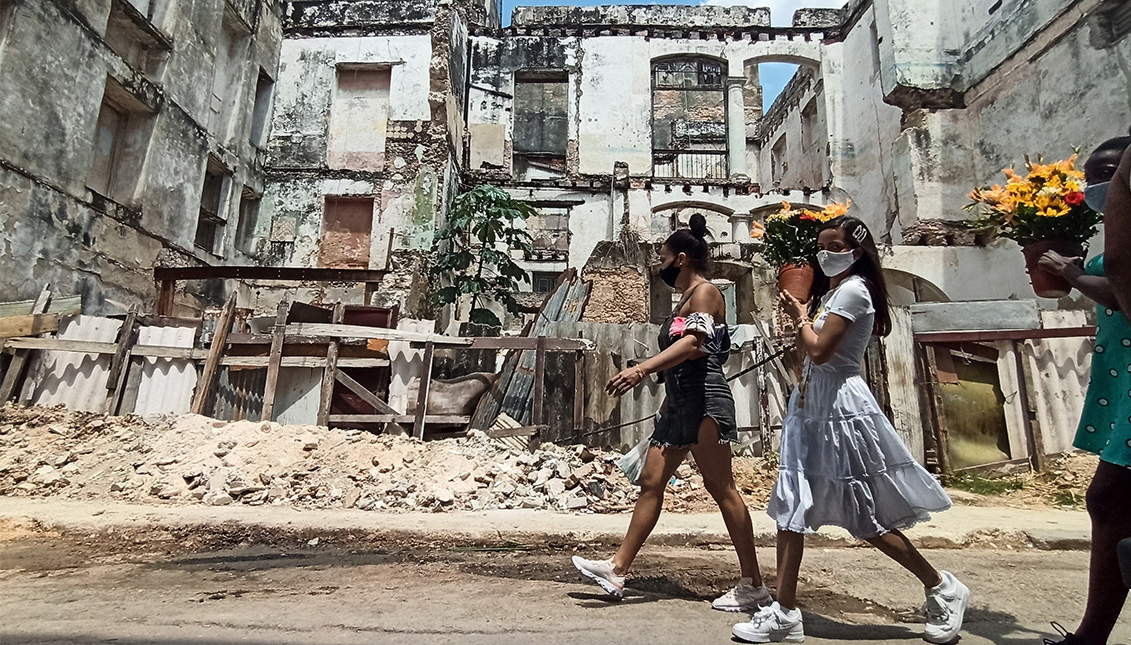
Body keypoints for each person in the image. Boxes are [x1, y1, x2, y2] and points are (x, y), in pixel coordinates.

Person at [733, 216, 969, 645]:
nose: (824, 253)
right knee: (792, 509)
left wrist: (801, 317)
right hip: (812, 407)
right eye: (820, 245)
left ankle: (942, 587)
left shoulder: (855, 291)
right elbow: (811, 353)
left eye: (833, 245)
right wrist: (805, 322)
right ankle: (784, 611)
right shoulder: (834, 293)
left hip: (840, 411)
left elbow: (821, 352)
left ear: (856, 252)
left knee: (867, 518)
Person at [571, 213, 769, 613]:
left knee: (721, 487)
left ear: (680, 258)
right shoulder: (684, 299)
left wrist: (642, 368)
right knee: (651, 480)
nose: (658, 264)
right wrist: (665, 403)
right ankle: (617, 569)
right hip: (680, 403)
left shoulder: (707, 293)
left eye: (662, 257)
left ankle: (754, 584)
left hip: (704, 400)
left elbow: (695, 344)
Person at [1038, 131, 1131, 645]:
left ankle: (1090, 636)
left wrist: (1071, 273)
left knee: (1109, 499)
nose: (1097, 185)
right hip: (1120, 374)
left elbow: (1120, 287)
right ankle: (1090, 634)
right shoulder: (1113, 225)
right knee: (1111, 502)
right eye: (1091, 176)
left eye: (1108, 174)